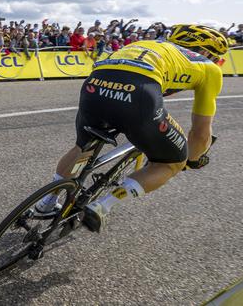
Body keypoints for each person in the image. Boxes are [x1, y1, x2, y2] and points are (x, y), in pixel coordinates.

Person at [35, 24, 228, 233]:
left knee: (83, 147)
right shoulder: (209, 67)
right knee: (172, 161)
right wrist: (191, 159)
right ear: (207, 52)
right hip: (139, 94)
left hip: (96, 84)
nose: (218, 62)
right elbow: (200, 131)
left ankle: (46, 202)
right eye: (218, 58)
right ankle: (103, 205)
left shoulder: (146, 44)